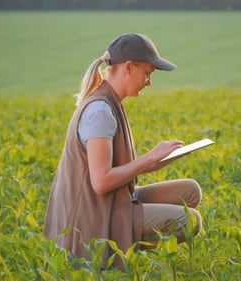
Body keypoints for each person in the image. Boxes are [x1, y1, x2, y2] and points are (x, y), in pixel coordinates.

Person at [43, 33, 202, 270]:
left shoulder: (109, 103)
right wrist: (148, 158)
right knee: (191, 221)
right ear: (129, 67)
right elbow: (101, 182)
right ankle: (113, 255)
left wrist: (154, 163)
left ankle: (126, 245)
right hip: (92, 221)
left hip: (107, 204)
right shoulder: (100, 111)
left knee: (190, 191)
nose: (149, 82)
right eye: (147, 74)